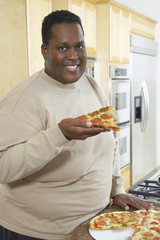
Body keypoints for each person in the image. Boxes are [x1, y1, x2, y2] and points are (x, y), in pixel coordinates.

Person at [0, 10, 154, 240]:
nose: (74, 56)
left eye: (79, 46)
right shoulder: (23, 100)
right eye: (63, 48)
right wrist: (58, 135)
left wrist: (117, 190)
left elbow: (109, 143)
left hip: (93, 223)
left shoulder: (90, 84)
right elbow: (3, 167)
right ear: (45, 50)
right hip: (37, 233)